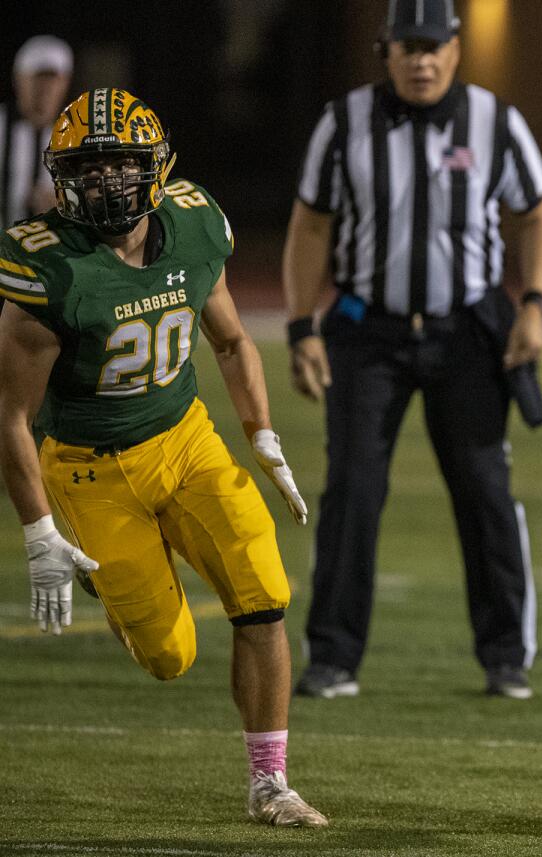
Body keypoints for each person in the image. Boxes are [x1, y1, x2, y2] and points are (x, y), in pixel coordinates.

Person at [0, 88, 327, 828]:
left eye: (123, 165)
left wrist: (262, 434)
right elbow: (10, 416)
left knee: (263, 587)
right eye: (91, 166)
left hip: (186, 440)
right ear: (62, 174)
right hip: (91, 465)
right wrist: (39, 534)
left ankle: (270, 782)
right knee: (168, 655)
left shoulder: (192, 223)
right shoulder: (49, 266)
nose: (109, 181)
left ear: (156, 167)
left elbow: (234, 341)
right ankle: (120, 575)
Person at [284, 0, 542, 701]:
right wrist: (300, 325)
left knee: (484, 489)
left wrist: (534, 304)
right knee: (352, 489)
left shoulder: (496, 121)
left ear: (457, 49)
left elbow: (535, 214)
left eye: (434, 46)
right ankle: (334, 656)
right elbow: (310, 228)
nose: (422, 59)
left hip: (466, 330)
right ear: (386, 51)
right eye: (408, 46)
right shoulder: (342, 122)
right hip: (367, 329)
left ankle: (505, 655)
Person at [2, 35, 72, 228]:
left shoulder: (75, 135)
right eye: (37, 79)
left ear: (65, 83)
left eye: (53, 80)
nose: (46, 89)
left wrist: (64, 205)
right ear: (18, 79)